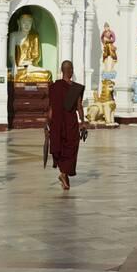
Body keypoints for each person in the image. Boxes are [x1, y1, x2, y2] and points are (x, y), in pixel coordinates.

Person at [47, 60, 86, 190]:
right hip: (69, 123)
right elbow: (79, 107)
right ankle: (64, 174)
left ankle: (63, 174)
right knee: (69, 148)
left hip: (58, 124)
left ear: (62, 71)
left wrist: (48, 123)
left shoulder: (55, 87)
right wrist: (83, 122)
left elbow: (51, 108)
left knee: (63, 148)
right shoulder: (72, 88)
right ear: (71, 71)